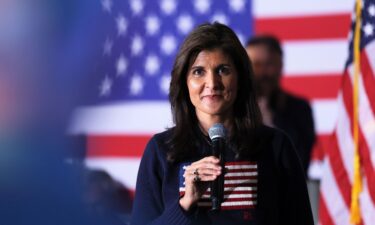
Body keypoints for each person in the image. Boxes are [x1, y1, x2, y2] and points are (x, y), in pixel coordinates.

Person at [131, 22, 313, 225]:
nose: (212, 83)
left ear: (241, 78)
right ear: (184, 81)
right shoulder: (160, 150)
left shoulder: (276, 147)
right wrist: (185, 204)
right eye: (198, 72)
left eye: (223, 70)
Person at [245, 36, 315, 176]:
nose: (262, 73)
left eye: (268, 64)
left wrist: (272, 122)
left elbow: (302, 159)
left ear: (280, 66)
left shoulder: (300, 108)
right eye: (256, 65)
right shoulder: (233, 108)